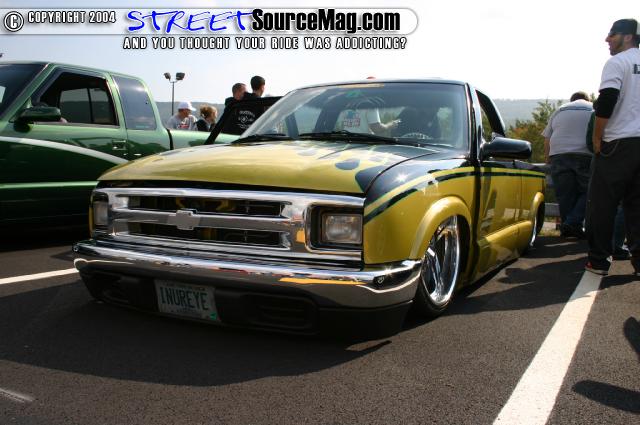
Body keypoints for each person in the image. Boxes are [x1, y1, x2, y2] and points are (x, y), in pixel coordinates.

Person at [585, 18, 640, 276]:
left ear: (628, 37)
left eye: (612, 34)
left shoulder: (618, 62)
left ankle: (599, 261)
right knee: (637, 207)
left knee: (602, 204)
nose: (607, 39)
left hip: (618, 142)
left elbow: (607, 100)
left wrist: (597, 138)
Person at [541, 91, 593, 238]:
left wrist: (547, 158)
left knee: (565, 194)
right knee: (590, 191)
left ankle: (568, 228)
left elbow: (547, 138)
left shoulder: (560, 109)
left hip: (559, 154)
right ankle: (572, 223)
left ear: (571, 100)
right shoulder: (592, 108)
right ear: (587, 99)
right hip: (585, 154)